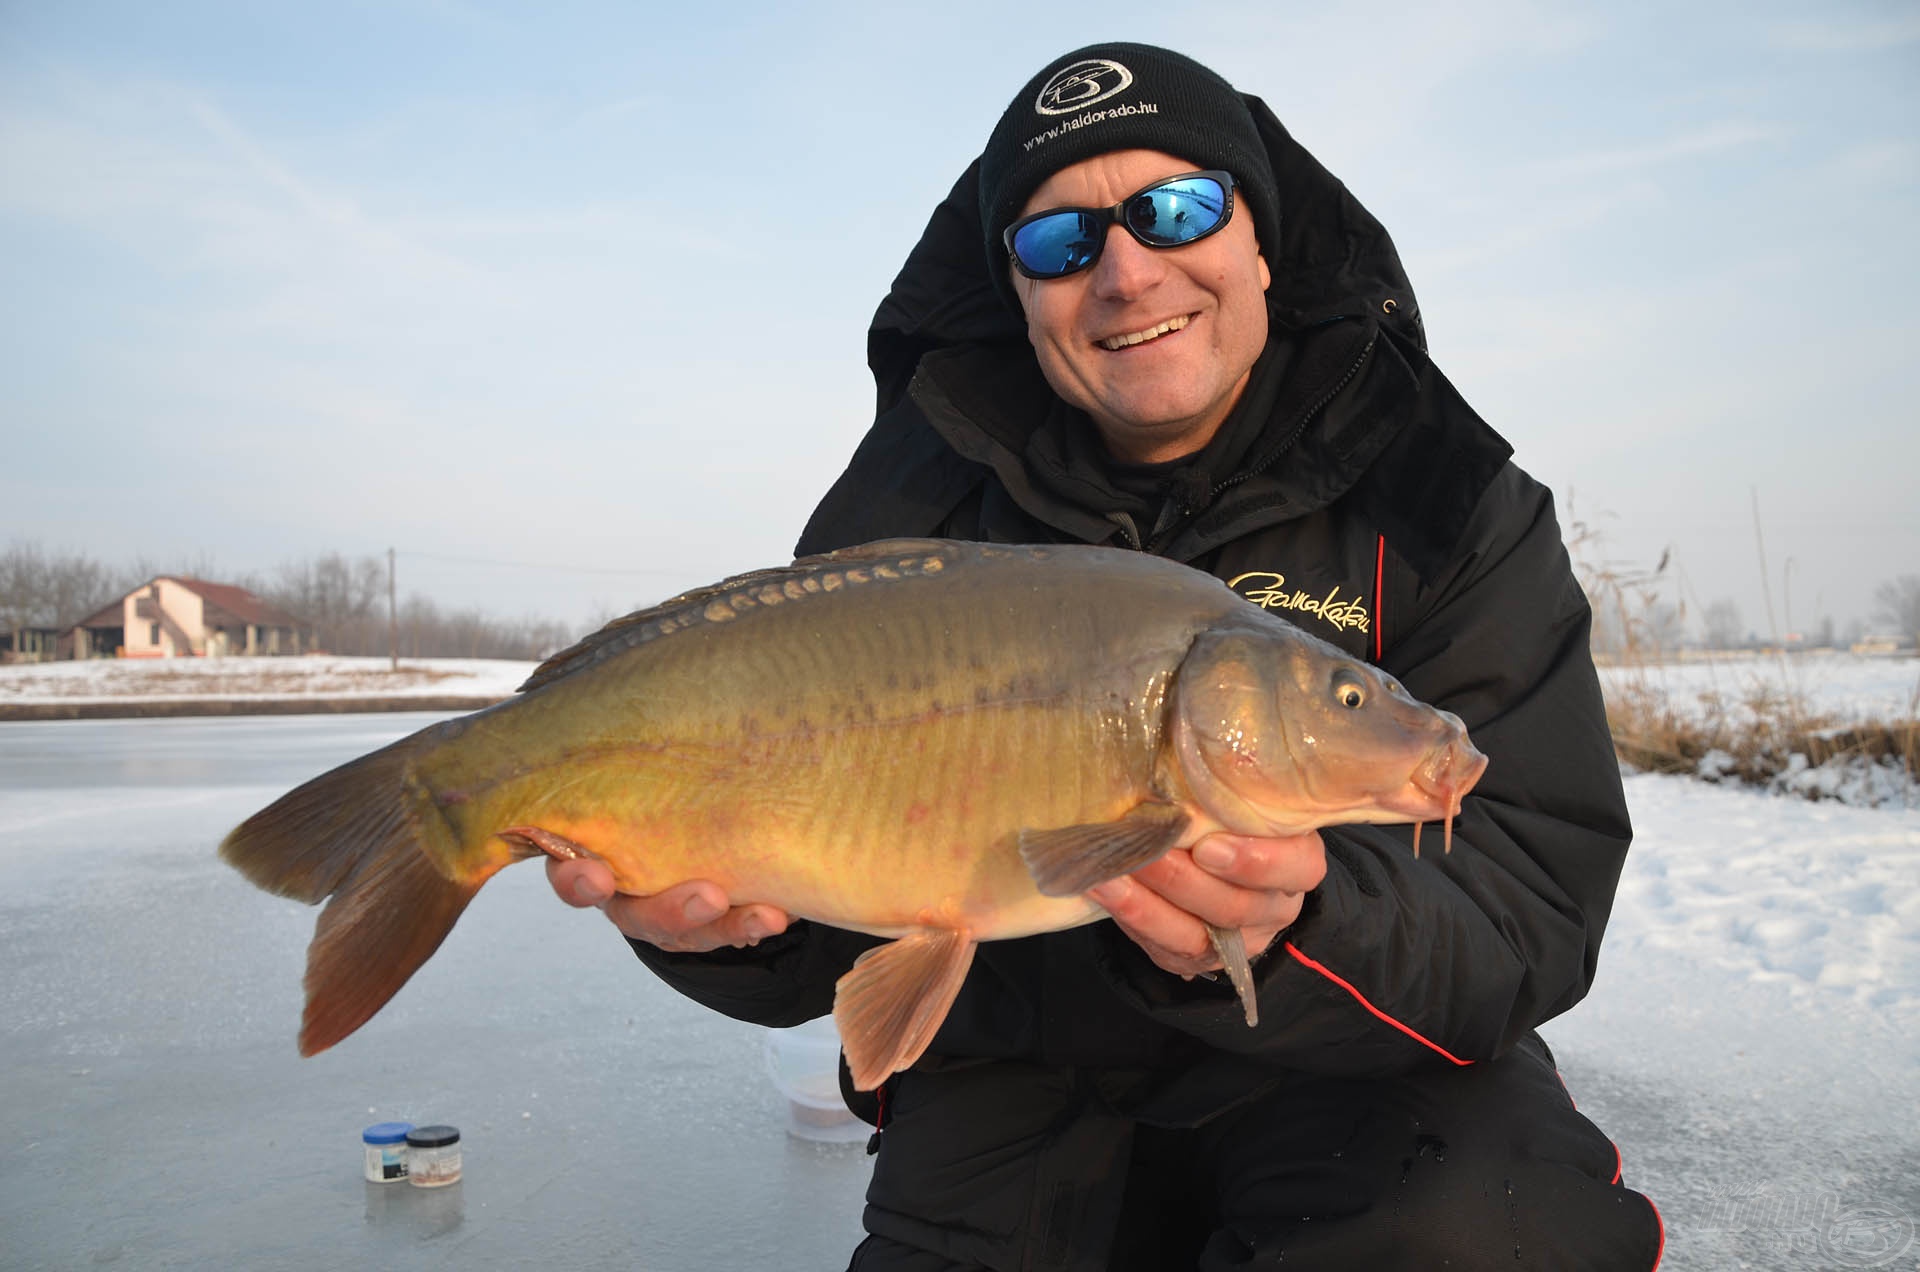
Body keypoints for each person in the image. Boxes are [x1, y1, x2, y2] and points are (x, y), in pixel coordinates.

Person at [550, 42, 1665, 1270]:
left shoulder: (1449, 498)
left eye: (1177, 208)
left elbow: (1530, 901)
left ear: (1261, 241)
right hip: (1008, 1095)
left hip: (1364, 1086)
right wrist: (719, 923)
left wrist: (1300, 926)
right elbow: (821, 938)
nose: (1127, 273)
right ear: (1018, 292)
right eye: (1059, 242)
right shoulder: (900, 526)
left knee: (1492, 1233)